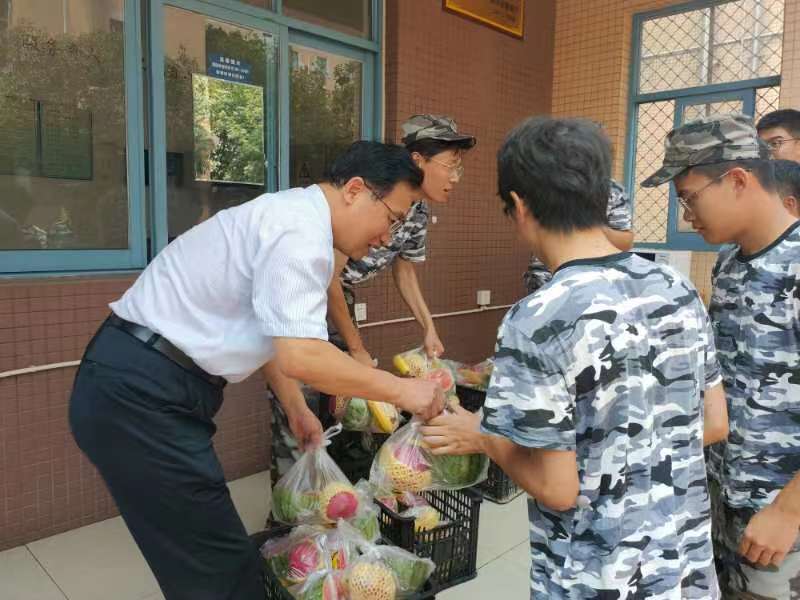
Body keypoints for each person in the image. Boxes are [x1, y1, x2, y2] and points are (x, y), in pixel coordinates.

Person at [68, 141, 445, 600]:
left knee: (206, 560)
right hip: (141, 393)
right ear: (355, 190)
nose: (388, 238)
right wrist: (402, 391)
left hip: (144, 382)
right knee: (220, 570)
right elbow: (303, 356)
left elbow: (274, 335)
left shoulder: (293, 219)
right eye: (392, 218)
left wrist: (295, 407)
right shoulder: (299, 232)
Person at [421, 116, 727, 599]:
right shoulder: (676, 288)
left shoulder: (538, 318)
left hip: (595, 580)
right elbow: (713, 423)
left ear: (520, 205)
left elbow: (558, 489)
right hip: (684, 572)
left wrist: (482, 437)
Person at [642, 112, 800, 599]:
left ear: (737, 180)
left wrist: (788, 510)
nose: (686, 214)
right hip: (722, 499)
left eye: (689, 197)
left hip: (783, 520)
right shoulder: (730, 262)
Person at [268, 114, 476, 481]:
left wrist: (428, 327)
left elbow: (405, 269)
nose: (456, 178)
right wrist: (356, 347)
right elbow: (329, 279)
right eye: (450, 166)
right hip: (316, 299)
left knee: (347, 407)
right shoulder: (358, 205)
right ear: (418, 161)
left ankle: (337, 492)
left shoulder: (417, 212)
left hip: (339, 300)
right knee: (306, 399)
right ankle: (296, 494)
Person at [523, 178, 633, 294]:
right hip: (546, 280)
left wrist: (592, 225)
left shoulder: (611, 188)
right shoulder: (542, 181)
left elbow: (625, 243)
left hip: (595, 283)